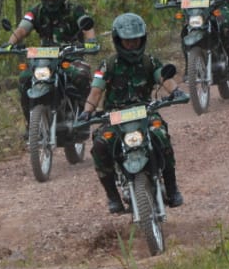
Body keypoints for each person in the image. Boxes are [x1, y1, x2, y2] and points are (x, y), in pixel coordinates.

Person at [78, 13, 186, 213]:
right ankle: (113, 196)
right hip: (115, 116)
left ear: (142, 39)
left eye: (135, 40)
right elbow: (96, 90)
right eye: (127, 41)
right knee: (100, 145)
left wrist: (176, 91)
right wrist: (87, 112)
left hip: (145, 112)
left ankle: (172, 188)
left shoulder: (149, 61)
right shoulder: (108, 65)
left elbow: (163, 78)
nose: (131, 44)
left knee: (161, 136)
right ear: (118, 40)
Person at [5, 0, 97, 119]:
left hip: (70, 56)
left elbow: (87, 26)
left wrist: (91, 41)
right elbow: (23, 28)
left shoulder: (74, 9)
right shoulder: (36, 11)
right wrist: (10, 43)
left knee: (81, 74)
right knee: (24, 78)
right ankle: (30, 123)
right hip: (44, 58)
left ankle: (83, 115)